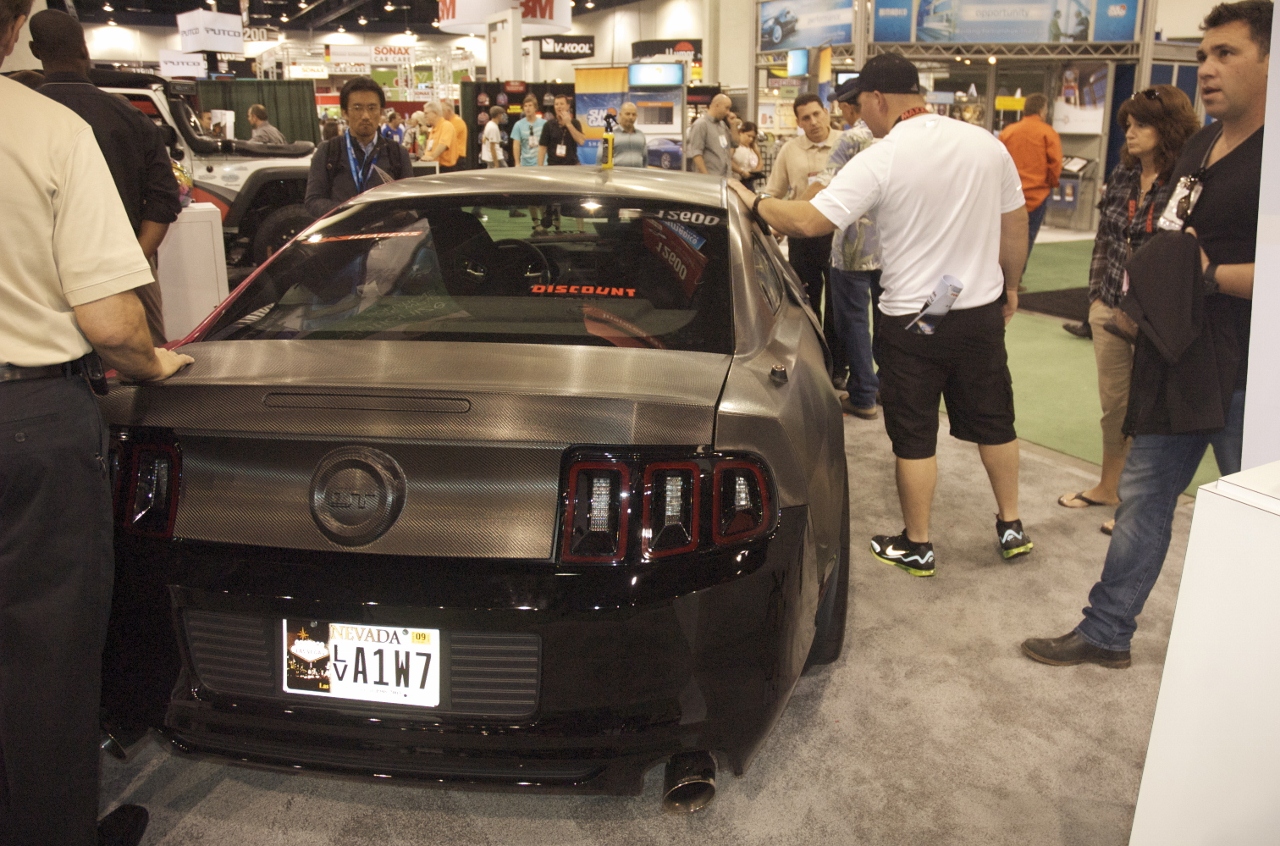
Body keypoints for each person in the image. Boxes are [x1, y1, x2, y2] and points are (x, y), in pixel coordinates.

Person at [1023, 0, 1269, 668]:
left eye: (1226, 54)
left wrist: (1208, 275)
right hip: (1176, 356)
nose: (1207, 68)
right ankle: (1106, 632)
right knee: (1142, 498)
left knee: (1261, 515)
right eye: (1203, 55)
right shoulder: (1201, 145)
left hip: (1248, 372)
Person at [2, 4, 194, 845]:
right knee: (44, 649)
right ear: (12, 23)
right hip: (25, 417)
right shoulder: (46, 131)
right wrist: (153, 364)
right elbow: (112, 323)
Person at [731, 52, 1033, 576]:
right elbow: (1016, 223)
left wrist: (752, 201)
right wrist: (1011, 285)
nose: (855, 116)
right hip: (977, 310)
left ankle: (918, 544)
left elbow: (808, 222)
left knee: (914, 436)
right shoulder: (986, 144)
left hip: (916, 320)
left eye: (858, 104)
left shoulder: (884, 156)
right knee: (996, 422)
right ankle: (1012, 526)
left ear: (877, 98)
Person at [1055, 86, 1200, 535]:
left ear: (1167, 128)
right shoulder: (1123, 174)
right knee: (1115, 406)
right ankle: (1108, 486)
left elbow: (1184, 254)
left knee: (1152, 412)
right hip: (1109, 306)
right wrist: (1097, 298)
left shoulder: (1186, 181)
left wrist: (1147, 309)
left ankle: (1138, 505)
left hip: (1158, 318)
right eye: (1128, 125)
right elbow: (1106, 237)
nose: (1130, 133)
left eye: (1141, 124)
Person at [31, 8, 181, 348]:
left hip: (46, 277)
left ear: (35, 50)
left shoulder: (21, 118)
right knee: (148, 362)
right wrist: (133, 263)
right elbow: (164, 201)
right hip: (125, 266)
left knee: (59, 361)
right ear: (85, 49)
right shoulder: (130, 116)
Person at [808, 79, 883, 419]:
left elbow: (823, 185)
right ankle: (885, 385)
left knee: (853, 322)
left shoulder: (852, 139)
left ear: (852, 106)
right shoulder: (894, 140)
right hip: (890, 249)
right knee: (887, 320)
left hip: (852, 249)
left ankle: (863, 394)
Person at [765, 93, 840, 380]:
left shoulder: (845, 144)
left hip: (838, 235)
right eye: (806, 118)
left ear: (826, 112)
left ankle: (839, 368)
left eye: (817, 114)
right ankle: (812, 364)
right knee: (805, 302)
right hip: (802, 235)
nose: (814, 122)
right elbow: (773, 191)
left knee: (838, 305)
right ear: (798, 122)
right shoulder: (790, 150)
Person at [304, 77, 413, 218]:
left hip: (386, 230)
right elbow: (313, 200)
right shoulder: (328, 151)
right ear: (344, 112)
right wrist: (350, 213)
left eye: (372, 108)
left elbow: (409, 202)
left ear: (381, 112)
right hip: (342, 229)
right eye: (357, 108)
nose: (366, 116)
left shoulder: (397, 153)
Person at [999, 93, 1062, 271]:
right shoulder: (1048, 133)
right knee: (1028, 237)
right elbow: (1055, 164)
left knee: (1003, 237)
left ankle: (1001, 276)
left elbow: (998, 161)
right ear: (1042, 110)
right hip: (1037, 196)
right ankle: (1017, 277)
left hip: (1008, 196)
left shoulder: (1008, 132)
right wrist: (1051, 184)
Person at [686, 92, 733, 177]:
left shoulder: (722, 125)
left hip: (724, 178)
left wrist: (734, 125)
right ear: (717, 105)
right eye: (726, 108)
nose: (728, 112)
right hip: (710, 178)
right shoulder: (701, 125)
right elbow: (697, 154)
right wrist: (707, 177)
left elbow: (734, 144)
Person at [538, 93, 585, 166]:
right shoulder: (548, 125)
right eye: (556, 104)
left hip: (572, 165)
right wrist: (540, 167)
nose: (559, 106)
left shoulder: (575, 123)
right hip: (553, 165)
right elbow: (542, 148)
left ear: (568, 106)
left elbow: (581, 141)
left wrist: (568, 124)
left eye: (561, 104)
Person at [418, 100, 457, 171]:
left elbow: (443, 144)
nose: (424, 116)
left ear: (435, 113)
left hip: (445, 169)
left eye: (426, 113)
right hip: (433, 167)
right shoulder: (433, 129)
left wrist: (431, 157)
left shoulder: (446, 125)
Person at [510, 93, 545, 167]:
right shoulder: (518, 125)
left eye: (530, 105)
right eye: (525, 106)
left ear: (535, 108)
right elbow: (516, 145)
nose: (527, 108)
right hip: (525, 164)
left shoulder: (544, 123)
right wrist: (517, 163)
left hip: (542, 163)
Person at [612, 101, 647, 168]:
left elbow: (645, 160)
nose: (631, 117)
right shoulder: (611, 136)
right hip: (617, 174)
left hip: (637, 174)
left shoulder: (641, 135)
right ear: (620, 115)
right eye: (627, 114)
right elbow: (601, 160)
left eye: (634, 114)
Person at [731, 120, 763, 188]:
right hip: (736, 180)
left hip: (749, 182)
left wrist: (756, 171)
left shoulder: (753, 147)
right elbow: (729, 161)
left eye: (753, 137)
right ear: (741, 133)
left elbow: (760, 161)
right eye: (748, 136)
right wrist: (741, 172)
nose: (751, 139)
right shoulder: (735, 146)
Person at [442, 98, 467, 170]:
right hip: (451, 157)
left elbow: (446, 137)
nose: (440, 114)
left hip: (457, 158)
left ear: (449, 111)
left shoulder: (457, 121)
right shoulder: (448, 122)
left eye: (442, 111)